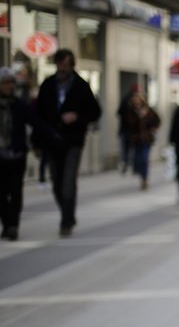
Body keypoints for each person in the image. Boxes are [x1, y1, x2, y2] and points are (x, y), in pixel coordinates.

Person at [31, 48, 102, 237]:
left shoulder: (81, 86)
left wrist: (77, 117)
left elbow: (95, 112)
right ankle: (68, 214)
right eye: (60, 64)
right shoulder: (47, 85)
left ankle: (66, 221)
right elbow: (38, 116)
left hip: (73, 141)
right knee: (56, 182)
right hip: (52, 141)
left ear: (71, 65)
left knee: (68, 181)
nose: (62, 68)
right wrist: (36, 143)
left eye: (66, 64)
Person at [0, 67, 41, 241]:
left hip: (17, 155)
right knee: (1, 193)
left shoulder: (20, 105)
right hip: (0, 156)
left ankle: (13, 225)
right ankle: (7, 223)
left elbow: (36, 123)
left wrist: (50, 137)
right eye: (6, 83)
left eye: (12, 82)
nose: (10, 86)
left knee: (16, 191)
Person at [124, 91, 160, 191]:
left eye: (138, 100)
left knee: (144, 158)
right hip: (136, 139)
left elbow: (157, 120)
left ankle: (144, 178)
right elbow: (128, 124)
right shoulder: (131, 111)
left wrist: (154, 128)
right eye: (135, 100)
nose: (136, 102)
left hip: (146, 138)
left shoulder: (148, 110)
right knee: (138, 158)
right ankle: (140, 172)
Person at [117, 84, 138, 174]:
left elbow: (119, 112)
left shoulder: (125, 99)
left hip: (125, 129)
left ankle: (126, 163)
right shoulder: (135, 101)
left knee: (126, 149)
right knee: (132, 149)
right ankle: (132, 166)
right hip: (130, 130)